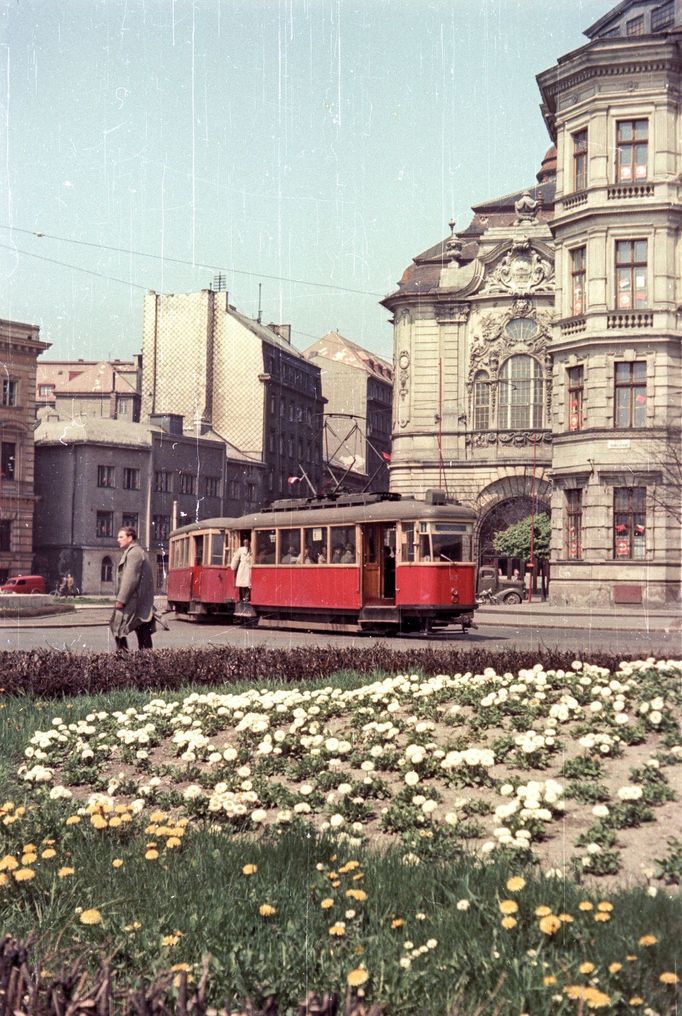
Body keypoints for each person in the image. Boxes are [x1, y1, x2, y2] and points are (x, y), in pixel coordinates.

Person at [110, 527, 156, 652]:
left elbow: (130, 579)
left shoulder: (134, 553)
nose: (117, 540)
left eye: (121, 537)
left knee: (117, 627)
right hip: (139, 601)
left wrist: (121, 600)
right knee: (143, 629)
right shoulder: (134, 552)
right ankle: (146, 662)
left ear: (130, 538)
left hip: (133, 601)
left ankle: (123, 658)